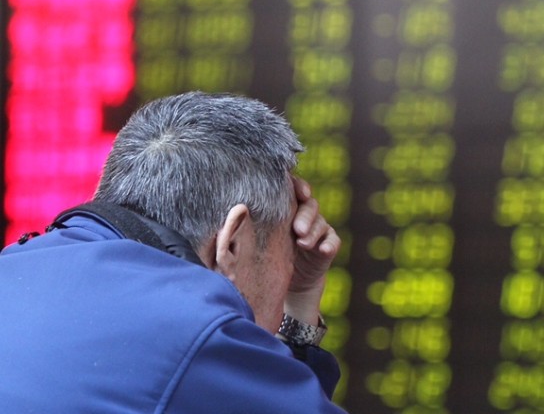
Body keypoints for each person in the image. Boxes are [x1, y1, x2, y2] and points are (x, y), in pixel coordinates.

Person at [0, 91, 350, 413]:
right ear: (232, 243)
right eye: (288, 255)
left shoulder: (12, 264)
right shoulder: (199, 331)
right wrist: (299, 310)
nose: (290, 273)